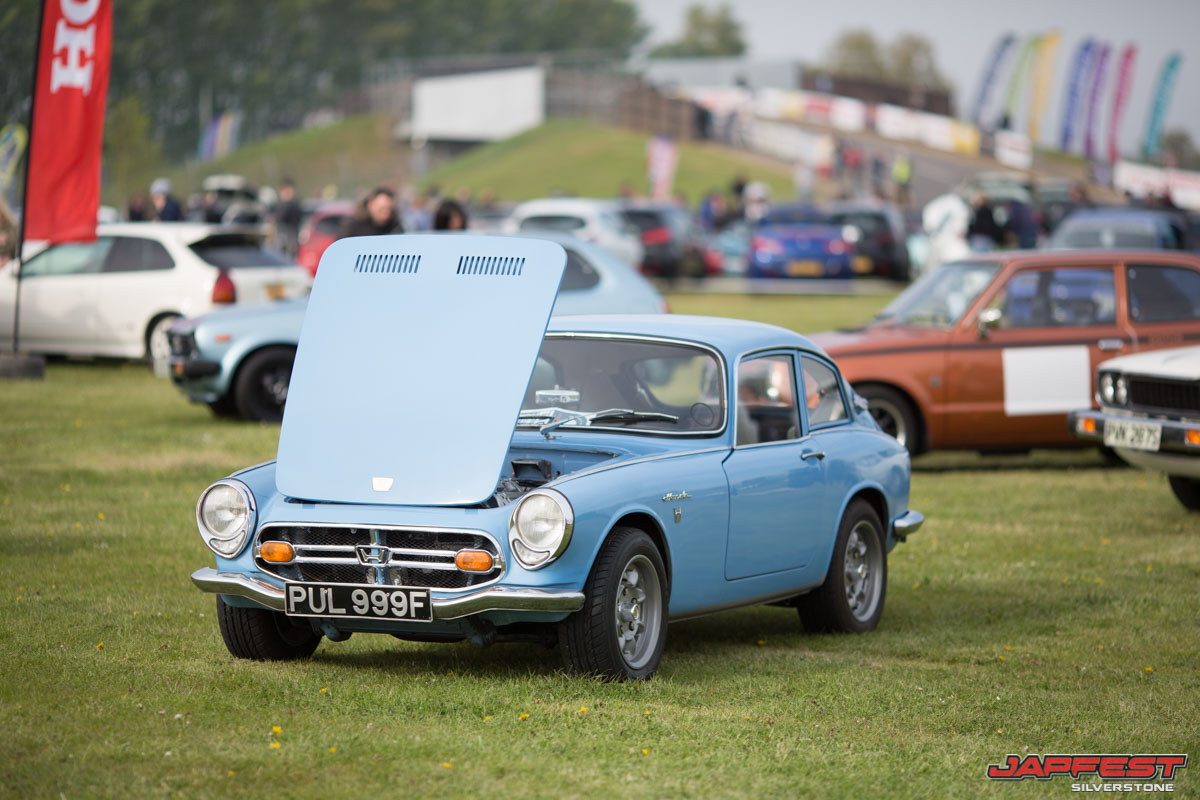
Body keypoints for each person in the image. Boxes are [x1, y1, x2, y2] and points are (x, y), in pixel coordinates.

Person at [338, 187, 403, 239]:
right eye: (381, 209)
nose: (386, 214)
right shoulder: (352, 226)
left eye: (389, 209)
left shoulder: (394, 227)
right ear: (370, 203)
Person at [273, 178, 303, 258]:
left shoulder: (292, 204)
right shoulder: (281, 204)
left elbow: (282, 217)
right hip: (284, 237)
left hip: (290, 237)